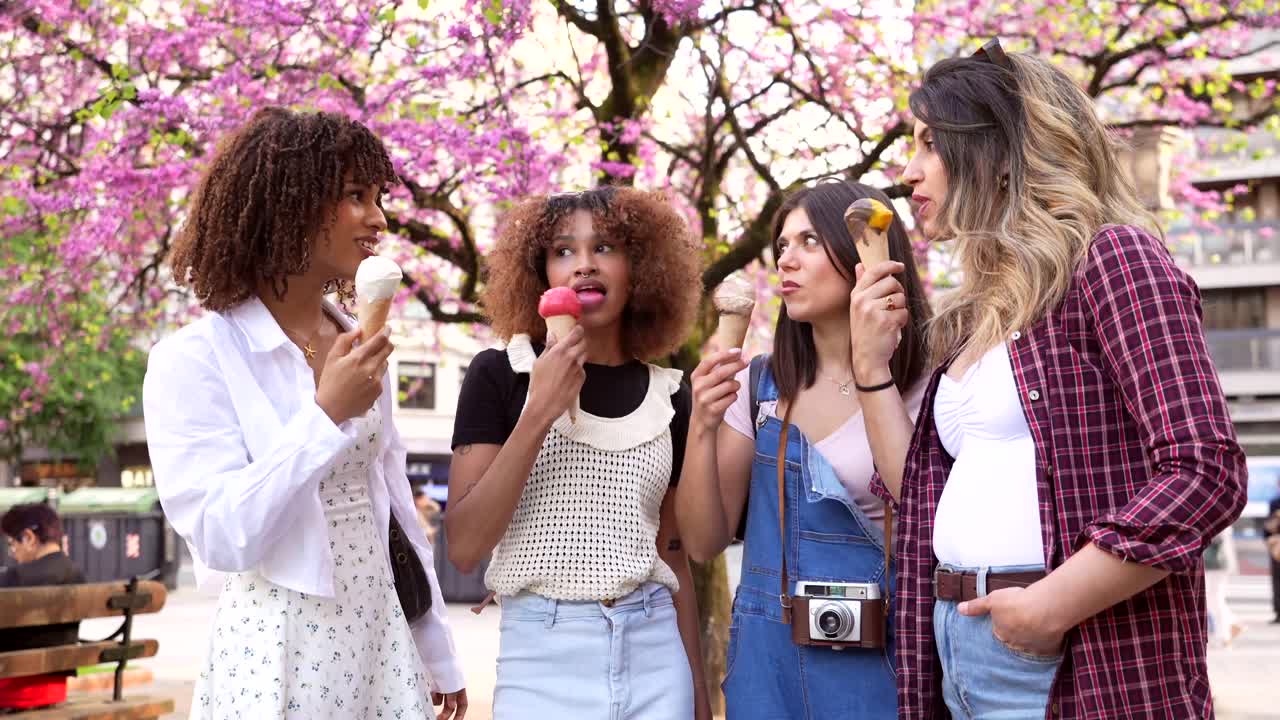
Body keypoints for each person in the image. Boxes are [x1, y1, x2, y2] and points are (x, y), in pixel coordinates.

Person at [851, 41, 1248, 718]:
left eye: (929, 144)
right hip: (958, 644)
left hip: (1069, 653)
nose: (908, 171)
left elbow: (1204, 469)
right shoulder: (977, 312)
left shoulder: (1113, 259)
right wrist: (870, 370)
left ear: (997, 150)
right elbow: (919, 496)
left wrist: (1045, 609)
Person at [143, 107, 466, 720]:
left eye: (379, 197)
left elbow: (393, 500)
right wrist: (323, 417)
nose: (379, 218)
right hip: (275, 652)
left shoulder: (355, 338)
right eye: (354, 196)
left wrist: (435, 646)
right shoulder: (193, 359)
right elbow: (221, 537)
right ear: (286, 203)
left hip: (379, 639)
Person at [446, 187, 710, 719]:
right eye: (563, 251)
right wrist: (539, 409)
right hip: (542, 658)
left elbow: (674, 553)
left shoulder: (672, 394)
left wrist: (699, 696)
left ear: (641, 268)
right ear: (540, 272)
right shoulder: (498, 374)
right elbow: (465, 546)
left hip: (656, 650)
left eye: (606, 247)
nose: (584, 265)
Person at [675, 180, 931, 718]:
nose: (786, 259)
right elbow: (701, 542)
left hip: (883, 665)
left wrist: (872, 367)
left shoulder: (925, 384)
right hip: (767, 671)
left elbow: (924, 513)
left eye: (810, 241)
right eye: (782, 246)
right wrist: (702, 424)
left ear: (866, 251)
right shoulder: (760, 385)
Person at [0, 503, 85, 711]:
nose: (13, 553)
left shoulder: (14, 578)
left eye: (12, 544)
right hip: (55, 689)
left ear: (29, 538)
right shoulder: (77, 576)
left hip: (12, 689)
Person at [1203, 528, 1242, 647]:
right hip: (1216, 562)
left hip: (1216, 562)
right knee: (1212, 598)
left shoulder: (1217, 517)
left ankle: (1224, 635)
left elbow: (1217, 538)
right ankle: (1231, 624)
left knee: (1214, 598)